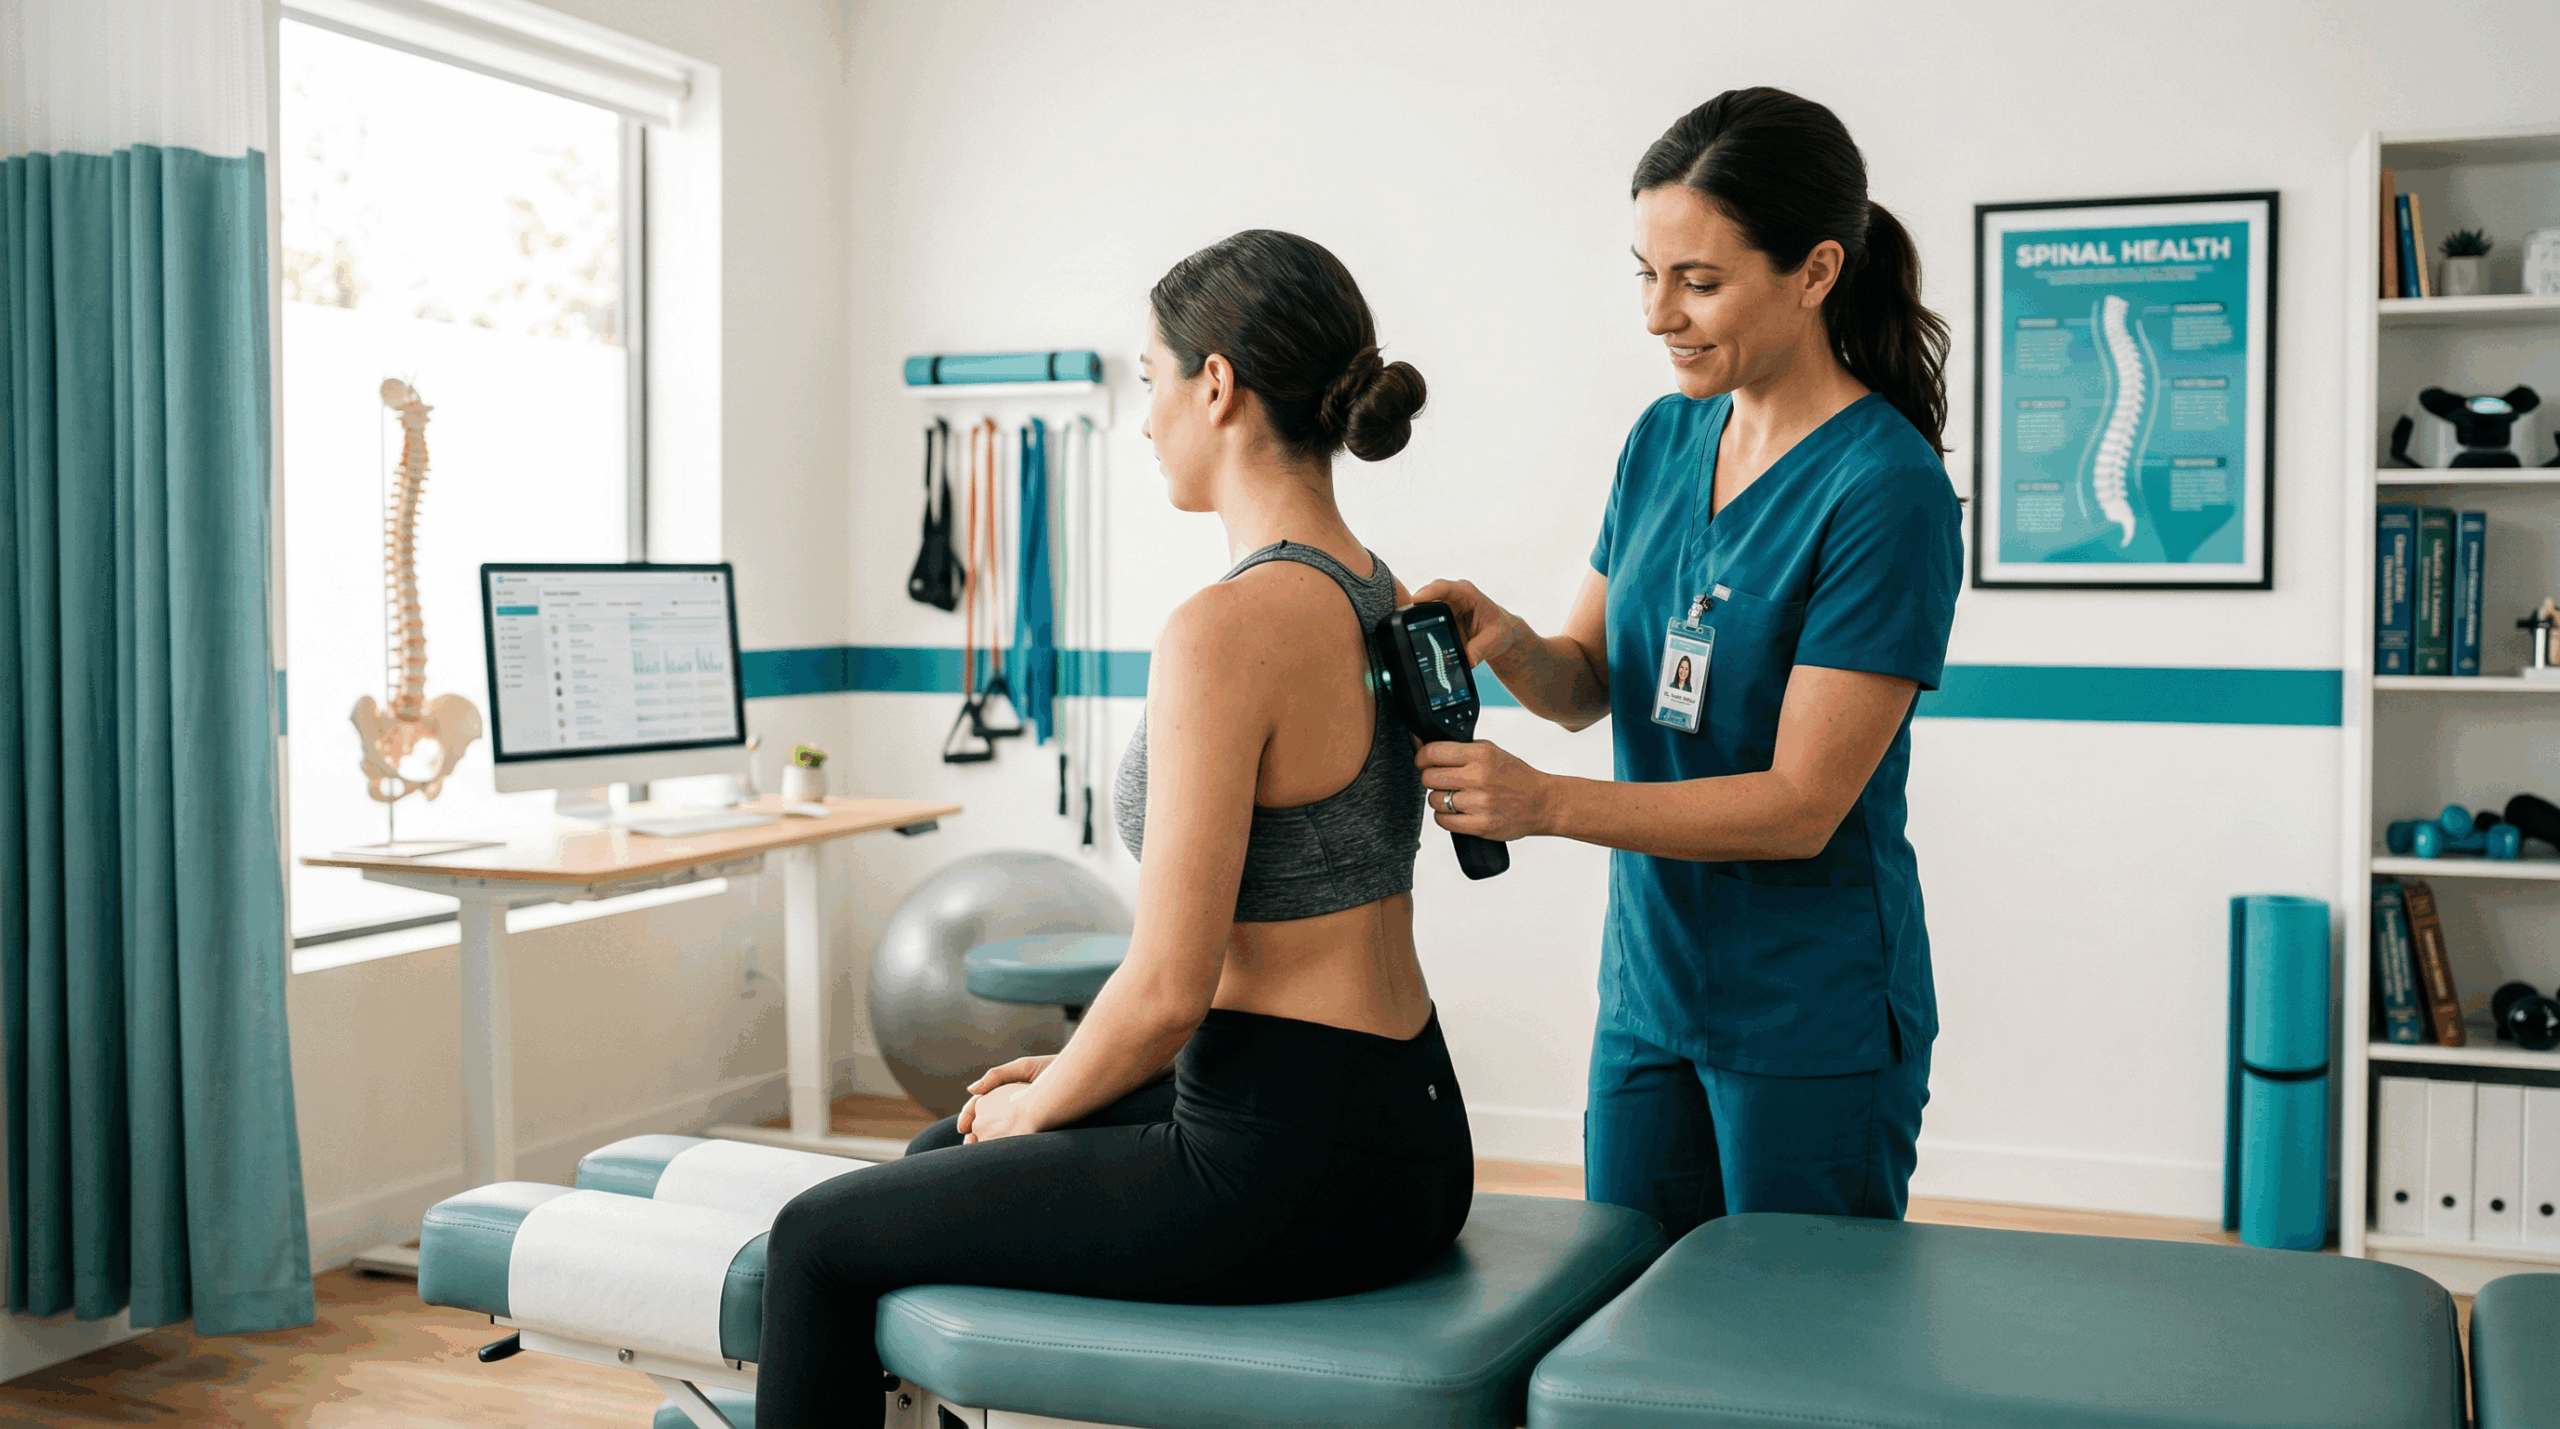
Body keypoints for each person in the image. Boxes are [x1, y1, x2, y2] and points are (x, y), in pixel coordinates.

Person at [757, 230, 1470, 1427]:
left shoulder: (1227, 627)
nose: (1144, 421)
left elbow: (1167, 988)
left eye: (1150, 379)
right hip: (1405, 1127)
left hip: (1281, 1158)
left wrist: (1045, 1109)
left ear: (1216, 384)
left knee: (816, 1239)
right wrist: (1072, 1080)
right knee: (942, 1146)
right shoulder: (1375, 589)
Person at [1414, 88, 1962, 1241]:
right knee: (1624, 1306)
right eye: (1646, 275)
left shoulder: (1885, 489)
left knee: (1790, 1330)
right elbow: (1585, 685)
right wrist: (1505, 637)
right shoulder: (1663, 439)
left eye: (1698, 282)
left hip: (1808, 1010)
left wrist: (1545, 806)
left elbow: (1800, 807)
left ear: (1815, 272)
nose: (1659, 314)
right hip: (1649, 990)